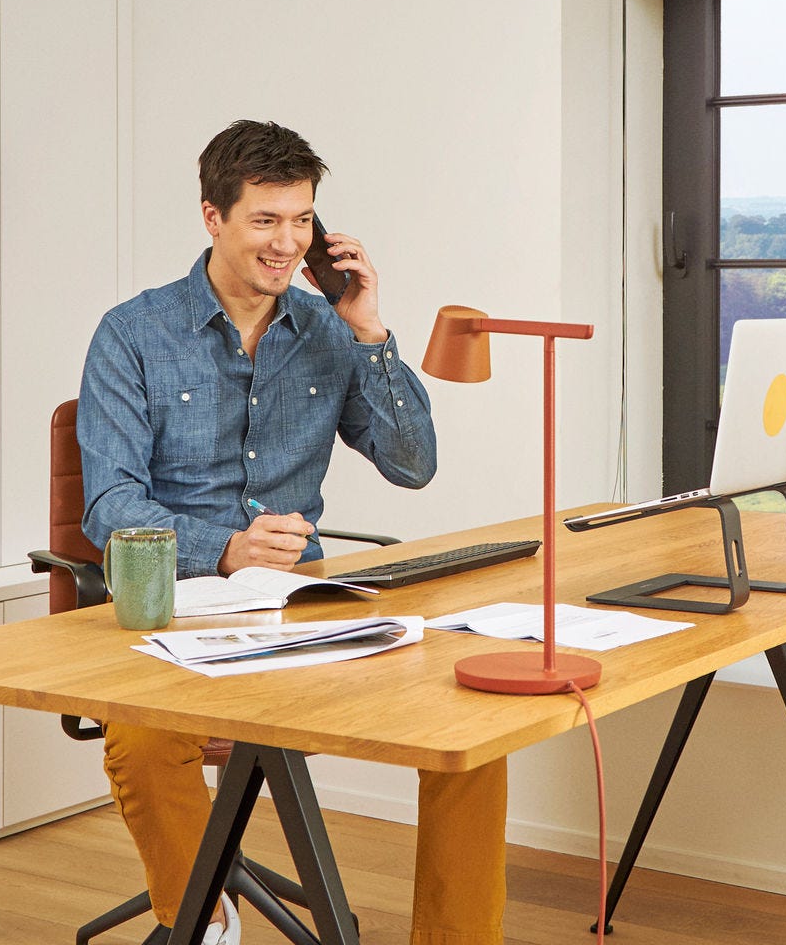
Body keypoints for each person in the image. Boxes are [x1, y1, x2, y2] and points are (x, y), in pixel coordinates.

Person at [77, 120, 506, 945]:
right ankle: (202, 921)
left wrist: (370, 331)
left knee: (473, 721)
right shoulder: (132, 334)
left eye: (302, 220)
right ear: (213, 217)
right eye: (266, 221)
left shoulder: (326, 329)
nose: (287, 243)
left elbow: (414, 464)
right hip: (178, 607)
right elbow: (112, 506)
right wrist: (224, 548)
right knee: (138, 737)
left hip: (303, 608)